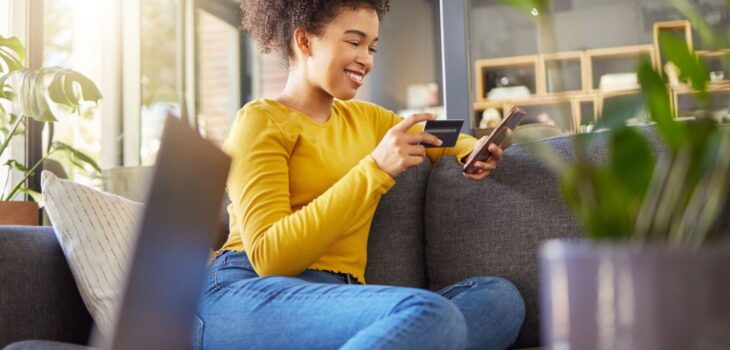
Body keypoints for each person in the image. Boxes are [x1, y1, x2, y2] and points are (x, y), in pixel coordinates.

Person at [194, 1, 525, 349]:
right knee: (430, 315)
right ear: (305, 41)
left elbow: (439, 135)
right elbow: (270, 258)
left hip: (340, 300)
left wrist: (473, 149)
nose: (366, 59)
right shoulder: (260, 120)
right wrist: (376, 169)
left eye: (372, 47)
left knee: (500, 299)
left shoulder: (368, 119)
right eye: (353, 42)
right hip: (246, 293)